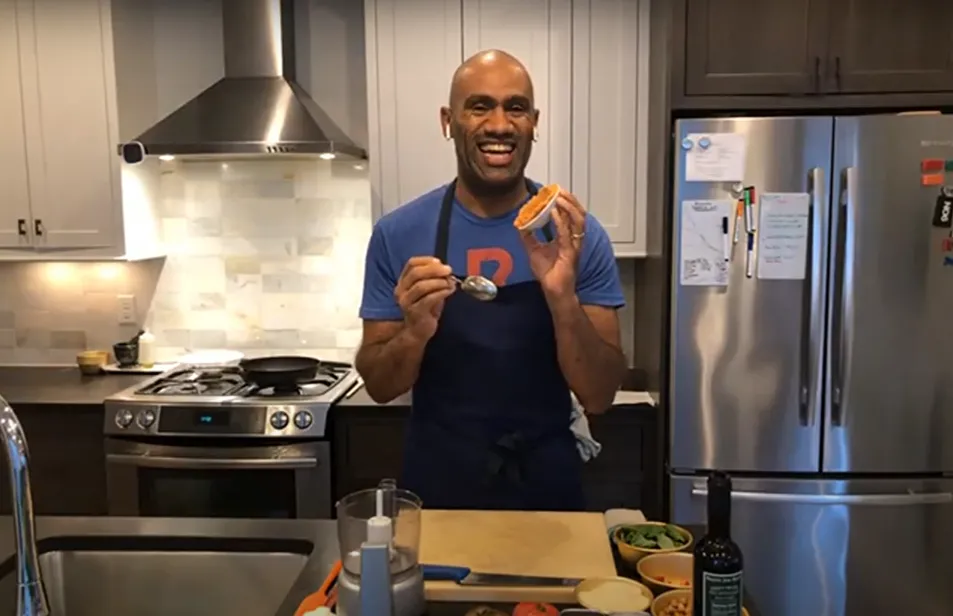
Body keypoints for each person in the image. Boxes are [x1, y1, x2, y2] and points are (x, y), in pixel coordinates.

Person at [356, 49, 626, 511]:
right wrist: (416, 331)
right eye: (479, 106)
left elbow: (600, 395)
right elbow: (380, 386)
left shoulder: (575, 234)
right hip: (440, 487)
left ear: (534, 123)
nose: (500, 124)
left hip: (547, 487)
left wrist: (562, 298)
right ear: (448, 121)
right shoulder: (398, 234)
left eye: (516, 107)